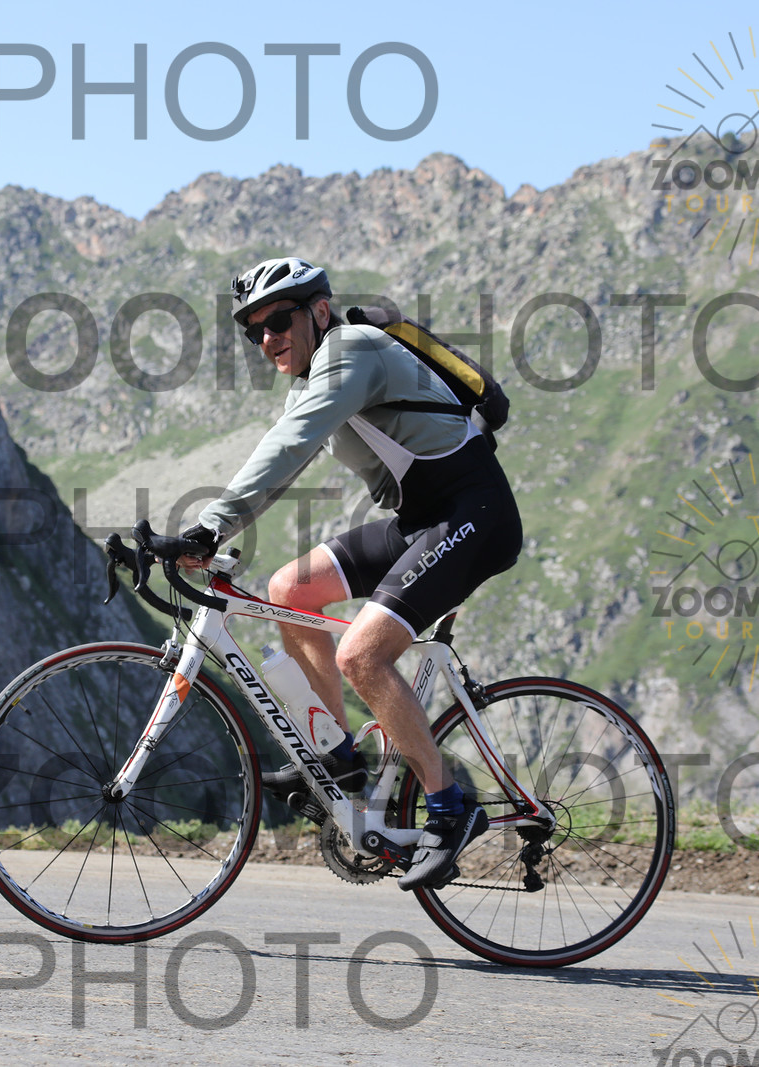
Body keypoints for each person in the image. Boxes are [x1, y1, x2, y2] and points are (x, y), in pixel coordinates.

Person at [178, 257, 523, 890]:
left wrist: (211, 526)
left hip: (474, 513)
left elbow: (292, 442)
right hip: (421, 521)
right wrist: (203, 532)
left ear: (318, 311)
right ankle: (338, 759)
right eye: (254, 332)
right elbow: (288, 450)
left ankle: (451, 807)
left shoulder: (351, 350)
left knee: (361, 655)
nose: (267, 339)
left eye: (278, 321)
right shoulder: (312, 379)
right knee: (290, 589)